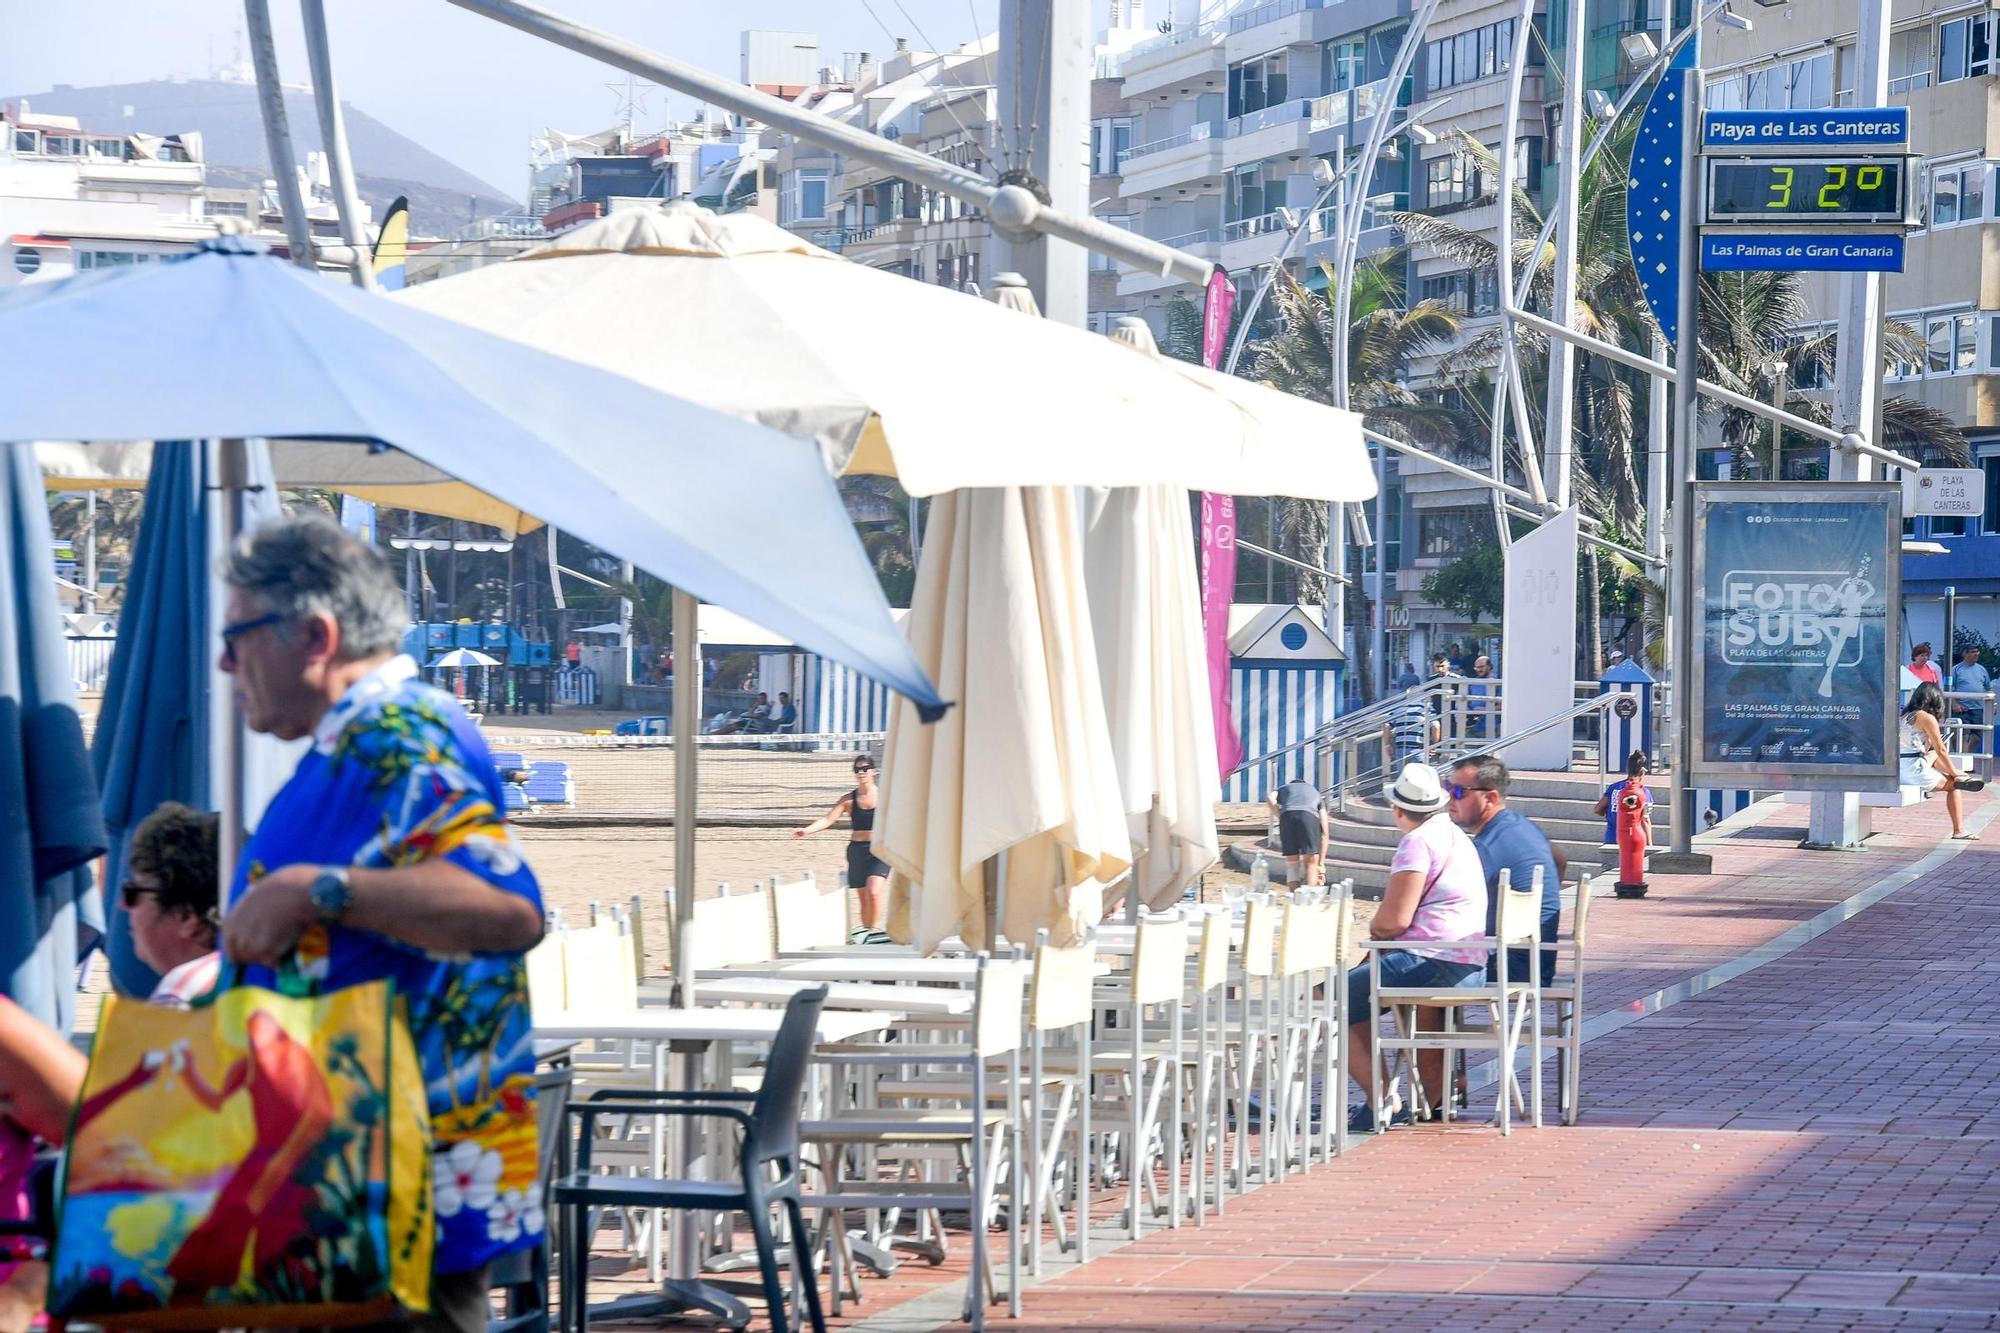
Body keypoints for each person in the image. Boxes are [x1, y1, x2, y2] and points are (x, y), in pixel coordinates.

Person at [214, 516, 544, 1332]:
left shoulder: (399, 733)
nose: (225, 662)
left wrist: (311, 888)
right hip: (353, 1190)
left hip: (388, 1198)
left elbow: (509, 907)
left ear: (316, 635)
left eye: (236, 637)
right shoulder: (361, 738)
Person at [1341, 763, 1489, 1132]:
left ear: (1397, 809)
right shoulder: (1455, 836)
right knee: (1363, 990)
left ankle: (1382, 1100)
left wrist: (1375, 930)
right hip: (1469, 962)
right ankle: (1427, 1100)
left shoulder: (1417, 841)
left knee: (1328, 998)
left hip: (1434, 959)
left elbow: (1394, 922)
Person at [1448, 755, 1563, 988]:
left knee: (1418, 967)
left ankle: (1428, 1026)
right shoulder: (1523, 826)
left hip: (1506, 966)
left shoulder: (1486, 849)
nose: (1450, 798)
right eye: (1447, 788)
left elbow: (1447, 902)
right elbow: (1559, 861)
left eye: (1459, 792)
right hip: (1537, 961)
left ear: (1490, 797)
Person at [123, 801, 223, 1008]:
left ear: (186, 916)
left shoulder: (181, 992)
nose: (122, 904)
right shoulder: (265, 977)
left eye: (132, 893)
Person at [796, 755, 891, 935]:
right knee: (863, 899)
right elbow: (828, 819)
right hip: (857, 851)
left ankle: (873, 931)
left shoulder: (885, 797)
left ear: (873, 771)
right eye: (857, 770)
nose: (861, 772)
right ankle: (867, 933)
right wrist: (806, 831)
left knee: (874, 892)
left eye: (865, 769)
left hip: (880, 850)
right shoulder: (849, 799)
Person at [1902, 681, 1985, 839]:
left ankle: (1959, 774)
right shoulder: (1926, 717)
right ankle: (1959, 830)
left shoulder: (1906, 715)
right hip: (1913, 770)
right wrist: (1952, 771)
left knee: (1932, 755)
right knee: (1954, 786)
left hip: (1900, 766)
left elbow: (1927, 750)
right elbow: (1942, 750)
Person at [1266, 779, 1328, 886]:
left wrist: (1280, 816)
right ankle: (1309, 897)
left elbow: (1270, 799)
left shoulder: (1283, 788)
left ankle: (1294, 898)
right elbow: (1325, 831)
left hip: (1287, 816)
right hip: (1309, 817)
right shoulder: (1315, 792)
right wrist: (1321, 865)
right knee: (1311, 862)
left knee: (1292, 863)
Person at [1594, 751, 1652, 846]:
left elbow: (1597, 809)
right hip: (1633, 839)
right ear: (1642, 771)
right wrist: (1650, 845)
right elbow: (1645, 819)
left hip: (1611, 837)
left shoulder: (1614, 787)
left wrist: (1610, 814)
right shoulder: (1643, 792)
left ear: (1627, 769)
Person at [1951, 646, 1990, 755]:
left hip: (1977, 708)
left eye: (1977, 652)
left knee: (1976, 737)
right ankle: (1964, 763)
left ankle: (1968, 758)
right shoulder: (1956, 669)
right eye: (1973, 652)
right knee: (1963, 735)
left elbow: (1988, 688)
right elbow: (1949, 688)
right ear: (1965, 654)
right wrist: (1954, 703)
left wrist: (1993, 705)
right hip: (1961, 708)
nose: (1976, 654)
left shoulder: (1981, 669)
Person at [1466, 654, 1496, 738]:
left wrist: (1486, 709)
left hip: (1492, 726)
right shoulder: (1473, 683)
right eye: (1477, 667)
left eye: (1481, 667)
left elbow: (1505, 704)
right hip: (1473, 726)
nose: (1478, 670)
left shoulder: (1498, 683)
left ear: (1489, 666)